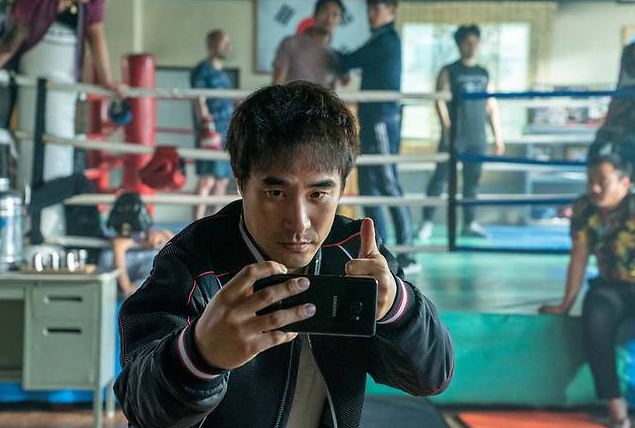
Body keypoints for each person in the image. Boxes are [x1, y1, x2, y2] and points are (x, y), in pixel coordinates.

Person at [114, 82, 454, 428]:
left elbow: (430, 378)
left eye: (318, 194)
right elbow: (140, 408)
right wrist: (200, 355)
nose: (299, 222)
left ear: (342, 186)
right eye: (276, 192)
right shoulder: (193, 263)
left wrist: (397, 306)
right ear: (241, 181)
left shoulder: (355, 254)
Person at [0, 0, 123, 239]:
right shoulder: (33, 4)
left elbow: (96, 33)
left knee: (65, 166)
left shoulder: (89, 7)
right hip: (28, 81)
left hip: (63, 92)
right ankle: (24, 214)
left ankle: (26, 213)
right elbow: (14, 39)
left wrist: (107, 80)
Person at [539, 141, 635, 428]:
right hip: (610, 286)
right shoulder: (584, 208)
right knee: (595, 318)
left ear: (624, 182)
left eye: (602, 181)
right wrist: (565, 304)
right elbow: (579, 258)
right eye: (590, 180)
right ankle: (617, 412)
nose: (594, 188)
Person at [336, 0, 416, 270]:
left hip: (382, 119)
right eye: (369, 9)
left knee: (388, 182)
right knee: (369, 185)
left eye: (377, 8)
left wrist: (329, 53)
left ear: (391, 10)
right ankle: (380, 249)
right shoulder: (379, 40)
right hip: (371, 120)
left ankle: (408, 252)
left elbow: (349, 59)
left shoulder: (387, 40)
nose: (371, 14)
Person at [418, 25, 505, 241]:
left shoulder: (484, 73)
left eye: (475, 41)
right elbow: (440, 99)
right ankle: (426, 222)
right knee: (440, 178)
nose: (472, 46)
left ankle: (469, 223)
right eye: (468, 42)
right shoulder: (449, 70)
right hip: (454, 135)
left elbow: (491, 105)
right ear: (459, 44)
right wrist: (447, 128)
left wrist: (498, 136)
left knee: (472, 181)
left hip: (477, 136)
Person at [191, 29, 234, 220]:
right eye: (223, 42)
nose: (227, 47)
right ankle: (195, 224)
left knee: (222, 180)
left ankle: (214, 223)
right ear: (211, 44)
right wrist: (207, 127)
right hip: (211, 131)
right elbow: (198, 99)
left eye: (228, 43)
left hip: (226, 132)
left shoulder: (222, 74)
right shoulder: (202, 70)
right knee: (207, 180)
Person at [272, 0, 344, 88]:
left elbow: (332, 92)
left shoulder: (334, 56)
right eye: (325, 12)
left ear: (340, 20)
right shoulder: (291, 43)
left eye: (335, 15)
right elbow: (277, 85)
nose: (329, 19)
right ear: (314, 15)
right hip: (291, 97)